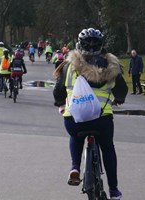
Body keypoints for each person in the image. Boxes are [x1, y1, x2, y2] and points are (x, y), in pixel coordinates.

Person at [53, 28, 128, 199]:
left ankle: (75, 167)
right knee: (108, 149)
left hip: (75, 119)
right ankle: (114, 190)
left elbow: (58, 92)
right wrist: (119, 100)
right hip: (102, 120)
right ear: (102, 46)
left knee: (76, 136)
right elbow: (122, 91)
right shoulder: (113, 67)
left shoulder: (69, 66)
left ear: (79, 45)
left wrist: (60, 104)